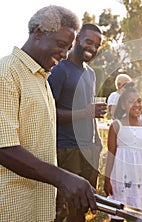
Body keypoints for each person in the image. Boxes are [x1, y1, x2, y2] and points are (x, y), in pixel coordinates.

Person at [0, 5, 98, 222]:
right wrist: (61, 177)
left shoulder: (42, 77)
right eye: (61, 45)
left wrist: (60, 183)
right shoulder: (6, 73)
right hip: (13, 205)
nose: (64, 55)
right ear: (38, 32)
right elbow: (4, 147)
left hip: (39, 200)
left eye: (68, 48)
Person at [48, 23, 106, 221]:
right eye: (89, 41)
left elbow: (89, 111)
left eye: (97, 45)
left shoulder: (90, 73)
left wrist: (97, 143)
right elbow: (49, 113)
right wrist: (84, 113)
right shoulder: (59, 70)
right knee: (65, 207)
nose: (92, 48)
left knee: (83, 204)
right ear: (78, 39)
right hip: (66, 148)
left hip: (88, 148)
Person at [104, 86, 142, 221]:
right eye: (131, 101)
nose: (137, 105)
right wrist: (107, 179)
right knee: (117, 212)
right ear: (123, 106)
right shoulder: (116, 126)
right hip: (121, 174)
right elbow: (111, 154)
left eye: (139, 101)